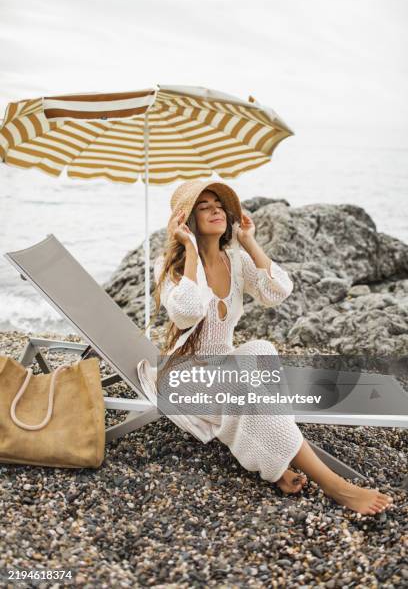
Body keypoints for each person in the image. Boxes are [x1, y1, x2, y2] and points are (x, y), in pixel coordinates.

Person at [138, 179, 393, 515]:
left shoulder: (236, 259)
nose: (215, 210)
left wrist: (249, 240)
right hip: (183, 376)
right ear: (187, 221)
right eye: (204, 207)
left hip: (222, 365)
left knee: (261, 349)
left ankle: (276, 462)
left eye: (218, 205)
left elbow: (278, 291)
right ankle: (335, 485)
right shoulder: (169, 266)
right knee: (248, 388)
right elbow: (186, 313)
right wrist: (188, 251)